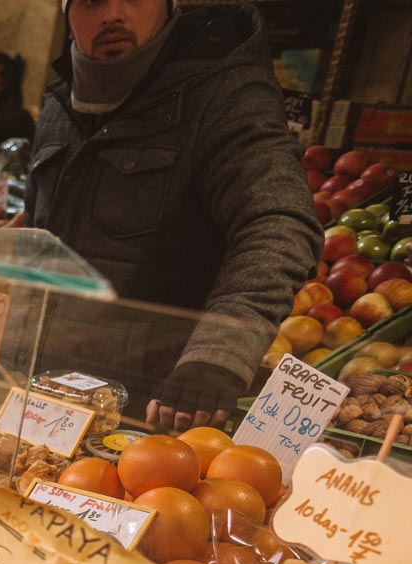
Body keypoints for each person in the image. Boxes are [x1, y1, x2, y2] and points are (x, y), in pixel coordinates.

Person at [26, 0, 321, 430]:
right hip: (49, 397)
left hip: (157, 409)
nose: (112, 14)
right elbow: (39, 245)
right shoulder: (60, 104)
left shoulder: (222, 92)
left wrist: (219, 355)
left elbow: (279, 222)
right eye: (91, 1)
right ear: (67, 16)